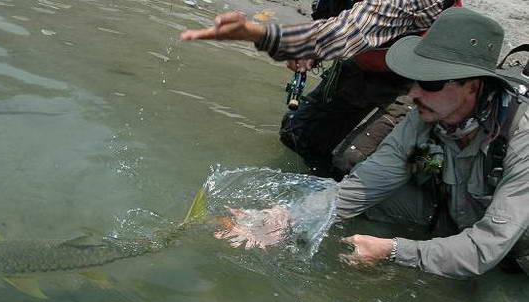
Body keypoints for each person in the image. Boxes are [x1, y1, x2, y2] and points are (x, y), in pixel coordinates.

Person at [332, 8, 529, 278]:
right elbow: (365, 183)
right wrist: (290, 216)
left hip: (511, 251)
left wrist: (393, 250)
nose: (413, 93)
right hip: (454, 213)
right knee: (368, 198)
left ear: (472, 87)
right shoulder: (425, 116)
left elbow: (485, 249)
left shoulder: (522, 137)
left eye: (429, 82)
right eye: (414, 79)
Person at [181, 0, 460, 179]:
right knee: (298, 136)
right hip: (370, 61)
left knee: (351, 164)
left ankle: (423, 167)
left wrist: (262, 34)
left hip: (426, 79)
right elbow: (330, 18)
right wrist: (311, 51)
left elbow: (348, 32)